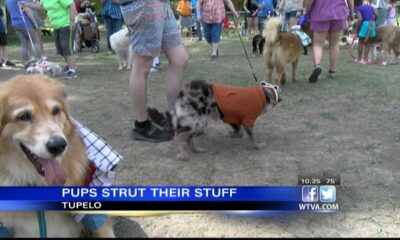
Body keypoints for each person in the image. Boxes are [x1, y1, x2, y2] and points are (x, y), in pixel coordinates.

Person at [120, 0, 189, 142]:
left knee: (179, 59)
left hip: (162, 4)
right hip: (144, 5)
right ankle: (142, 125)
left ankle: (172, 118)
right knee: (142, 64)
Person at [21, 0, 78, 78]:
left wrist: (72, 21)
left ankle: (72, 70)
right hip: (57, 25)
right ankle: (70, 66)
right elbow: (40, 7)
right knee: (60, 49)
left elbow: (72, 5)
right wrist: (27, 4)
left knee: (67, 47)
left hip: (67, 24)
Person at [307, 0, 354, 82]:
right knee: (334, 44)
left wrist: (307, 10)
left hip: (320, 12)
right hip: (339, 12)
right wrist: (351, 12)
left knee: (317, 44)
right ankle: (332, 71)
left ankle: (317, 66)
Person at [5, 0, 42, 68]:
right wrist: (35, 23)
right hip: (25, 22)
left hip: (15, 23)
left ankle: (26, 62)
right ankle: (38, 60)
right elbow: (27, 9)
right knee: (36, 41)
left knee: (24, 43)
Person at [354, 0, 377, 64]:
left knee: (361, 42)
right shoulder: (369, 6)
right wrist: (374, 21)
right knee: (368, 42)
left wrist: (356, 28)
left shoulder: (357, 8)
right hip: (372, 23)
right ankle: (365, 60)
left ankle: (359, 59)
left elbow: (360, 19)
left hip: (365, 24)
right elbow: (376, 14)